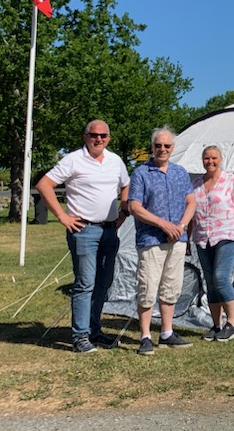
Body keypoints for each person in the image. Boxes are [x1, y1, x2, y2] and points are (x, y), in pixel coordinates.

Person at [36, 119, 130, 354]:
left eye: (103, 135)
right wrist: (62, 216)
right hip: (84, 230)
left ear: (109, 138)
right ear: (85, 136)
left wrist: (124, 210)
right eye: (94, 135)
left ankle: (94, 331)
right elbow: (44, 184)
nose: (99, 139)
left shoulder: (115, 160)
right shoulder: (73, 159)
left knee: (103, 283)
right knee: (85, 283)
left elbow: (126, 185)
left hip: (110, 230)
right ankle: (80, 336)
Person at [127, 126, 196, 356]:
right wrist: (162, 224)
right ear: (152, 147)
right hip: (151, 238)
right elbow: (134, 206)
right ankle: (145, 335)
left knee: (171, 285)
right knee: (147, 285)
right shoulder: (141, 173)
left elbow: (191, 202)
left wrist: (181, 226)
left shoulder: (180, 172)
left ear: (173, 148)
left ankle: (166, 332)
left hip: (177, 238)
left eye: (167, 146)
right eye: (158, 145)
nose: (162, 149)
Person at [190, 145, 234, 342]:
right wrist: (188, 238)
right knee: (210, 281)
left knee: (221, 277)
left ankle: (231, 323)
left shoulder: (231, 180)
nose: (210, 162)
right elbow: (192, 213)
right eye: (206, 158)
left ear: (221, 159)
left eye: (214, 158)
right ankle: (216, 325)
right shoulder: (197, 184)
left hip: (227, 234)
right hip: (202, 238)